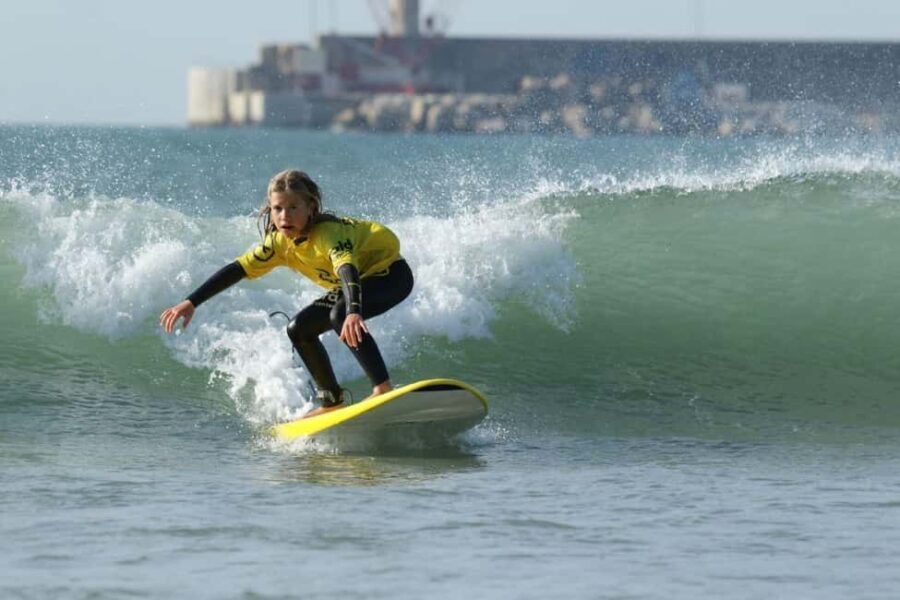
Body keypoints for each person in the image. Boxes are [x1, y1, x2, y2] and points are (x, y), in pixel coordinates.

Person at [160, 169, 414, 415]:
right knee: (299, 329)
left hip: (391, 275)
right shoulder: (279, 244)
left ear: (311, 208)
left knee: (340, 315)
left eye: (293, 208)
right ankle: (331, 401)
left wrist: (354, 312)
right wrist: (191, 301)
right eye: (278, 208)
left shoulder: (328, 235)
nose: (285, 216)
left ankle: (382, 387)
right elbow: (238, 269)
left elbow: (347, 269)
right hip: (356, 283)